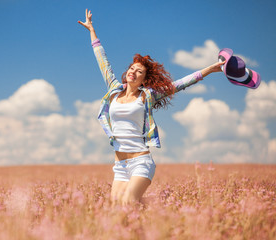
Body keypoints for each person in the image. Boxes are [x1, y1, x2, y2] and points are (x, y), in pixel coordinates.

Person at [78, 9, 224, 205]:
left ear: (144, 79)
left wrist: (210, 69)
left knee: (129, 202)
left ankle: (167, 205)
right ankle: (164, 204)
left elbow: (180, 84)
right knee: (115, 208)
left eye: (139, 72)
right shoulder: (113, 91)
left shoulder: (147, 96)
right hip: (120, 165)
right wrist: (91, 30)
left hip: (141, 162)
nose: (133, 72)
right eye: (132, 68)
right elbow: (102, 61)